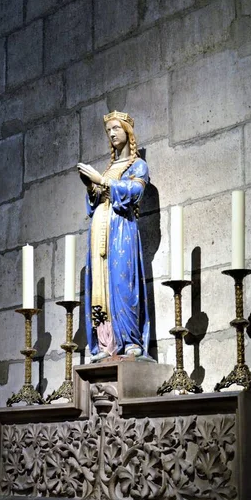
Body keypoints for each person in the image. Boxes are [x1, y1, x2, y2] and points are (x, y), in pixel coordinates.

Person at [77, 110, 151, 362]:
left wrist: (103, 182)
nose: (111, 133)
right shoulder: (110, 168)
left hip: (122, 231)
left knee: (122, 283)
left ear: (128, 132)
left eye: (116, 128)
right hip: (100, 229)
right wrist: (91, 187)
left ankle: (130, 340)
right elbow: (93, 205)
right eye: (109, 130)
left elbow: (134, 193)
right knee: (102, 286)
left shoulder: (138, 165)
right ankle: (106, 341)